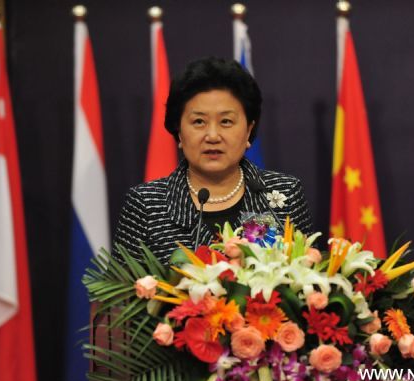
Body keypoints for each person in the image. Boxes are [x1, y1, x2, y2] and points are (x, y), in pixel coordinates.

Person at [113, 57, 314, 264]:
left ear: (248, 130)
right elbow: (118, 293)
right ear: (179, 131)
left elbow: (311, 282)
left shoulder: (284, 194)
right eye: (198, 121)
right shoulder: (146, 205)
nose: (212, 136)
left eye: (226, 121)